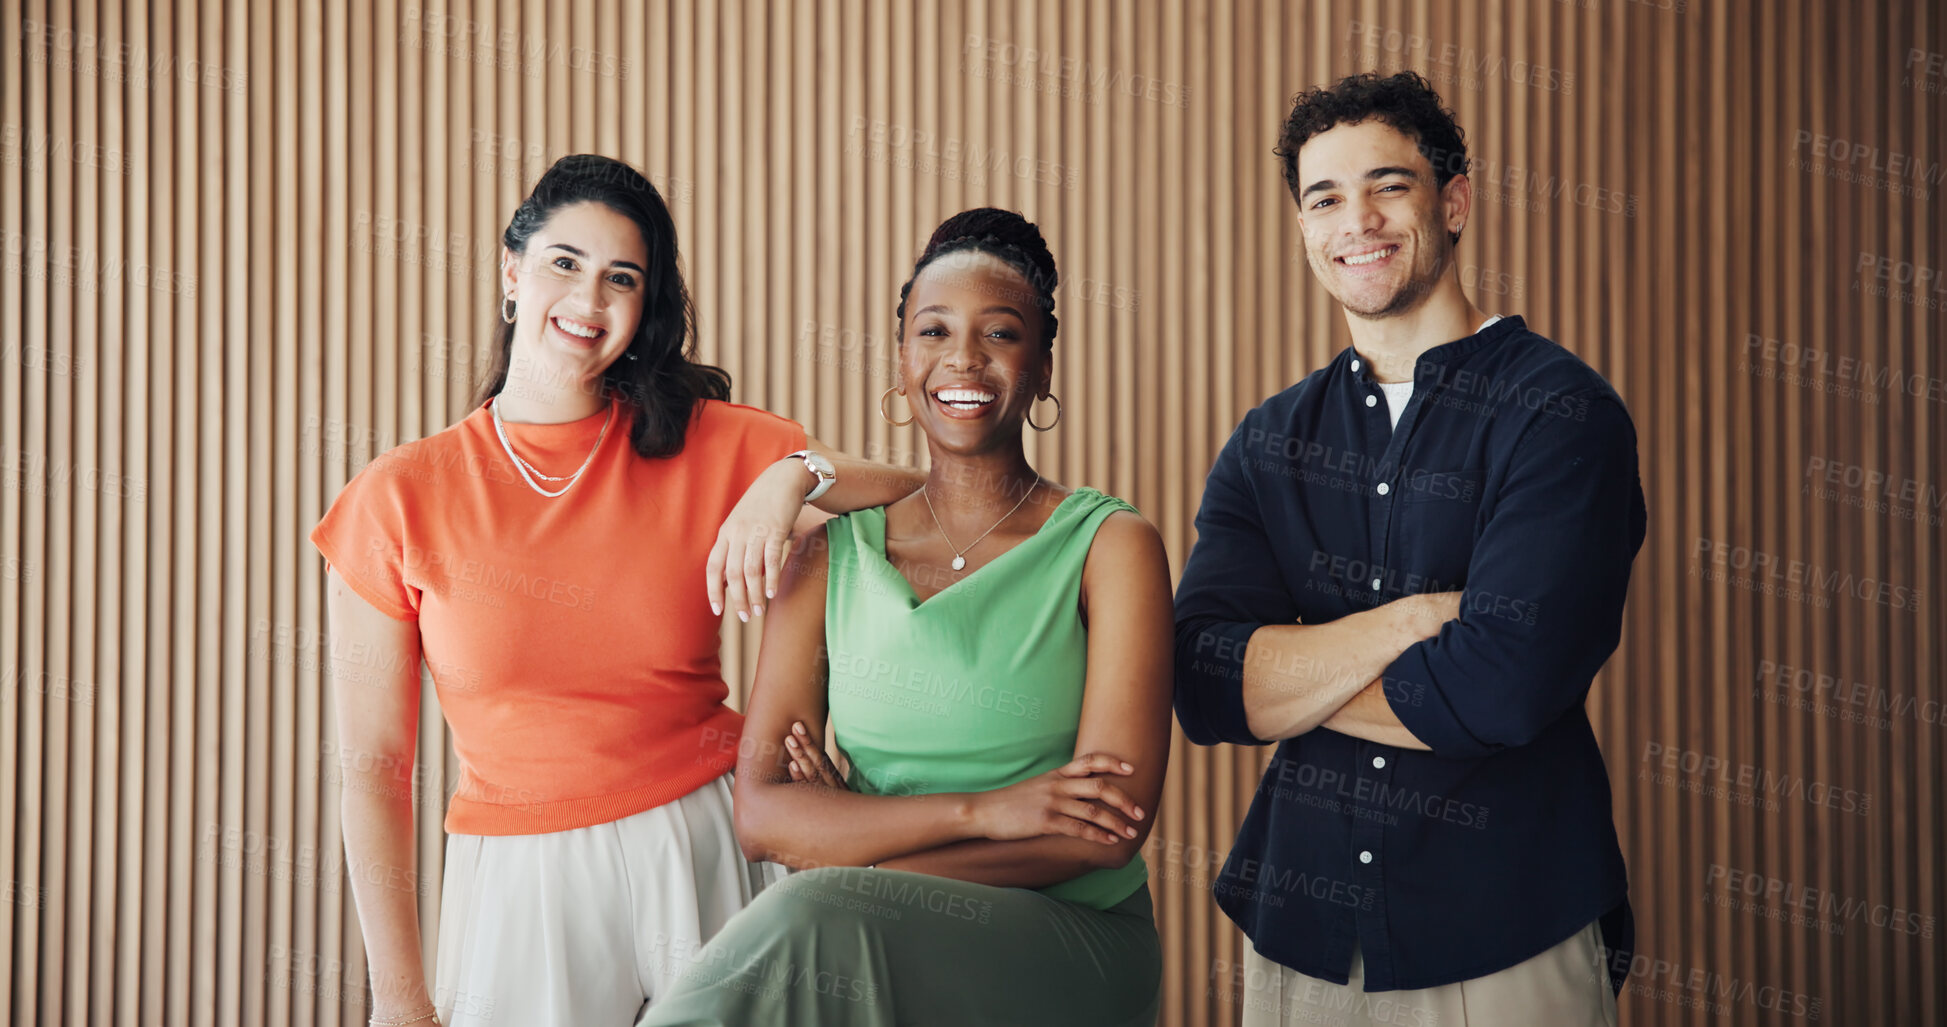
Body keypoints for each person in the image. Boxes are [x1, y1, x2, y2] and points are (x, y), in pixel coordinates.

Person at [313, 154, 920, 1027]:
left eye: (620, 279)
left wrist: (796, 474)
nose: (589, 302)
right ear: (511, 271)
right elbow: (375, 769)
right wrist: (399, 996)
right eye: (565, 263)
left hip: (704, 839)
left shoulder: (705, 443)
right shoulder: (401, 493)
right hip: (520, 877)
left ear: (644, 310)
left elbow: (925, 503)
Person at [1173, 72, 1644, 1026]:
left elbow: (1499, 686)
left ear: (1453, 200)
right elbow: (1204, 679)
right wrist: (1409, 623)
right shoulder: (1270, 439)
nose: (1358, 219)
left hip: (1506, 927)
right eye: (1325, 197)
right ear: (1303, 227)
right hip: (1300, 930)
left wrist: (1293, 677)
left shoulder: (1559, 413)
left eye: (1388, 184)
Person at [640, 208, 1174, 1027]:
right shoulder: (825, 557)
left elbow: (1102, 833)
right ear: (902, 362)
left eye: (999, 332)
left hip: (1067, 935)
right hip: (858, 917)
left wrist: (855, 841)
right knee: (814, 922)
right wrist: (984, 810)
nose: (962, 358)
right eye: (934, 331)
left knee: (805, 918)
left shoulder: (1110, 546)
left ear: (1041, 367)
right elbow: (762, 816)